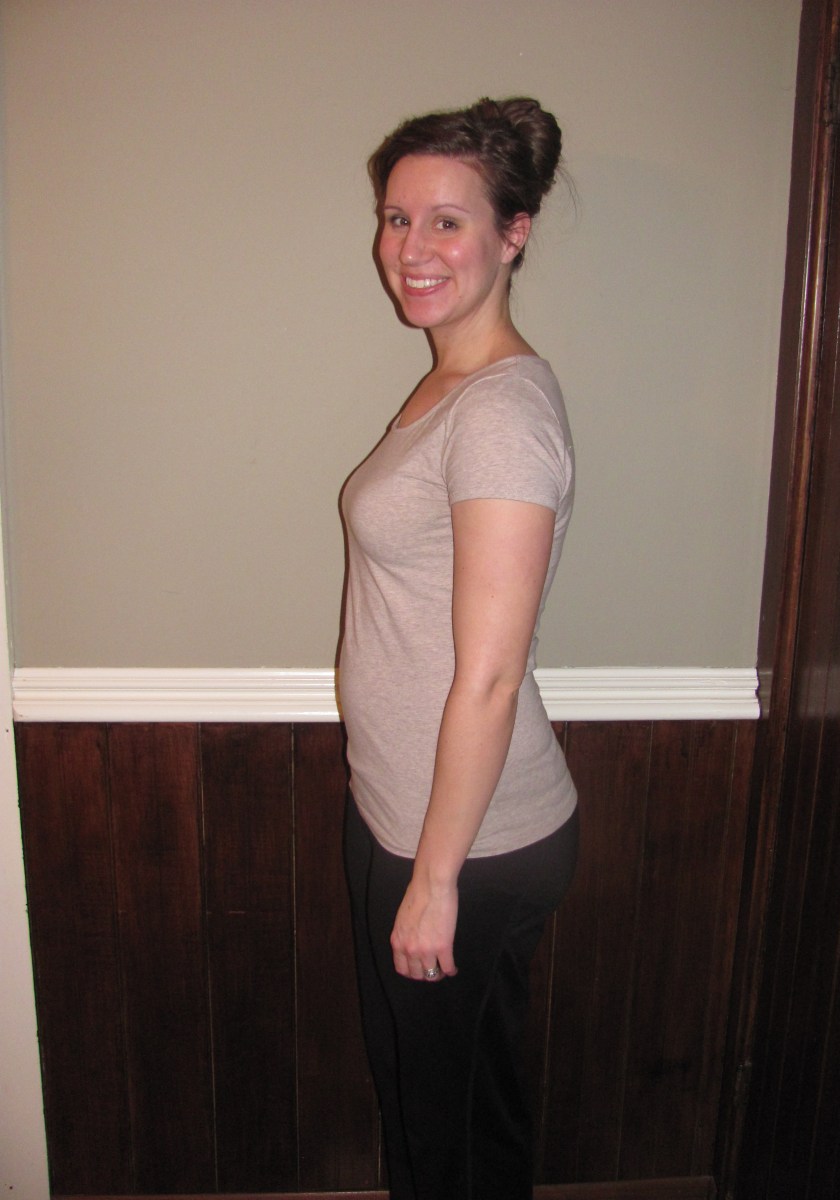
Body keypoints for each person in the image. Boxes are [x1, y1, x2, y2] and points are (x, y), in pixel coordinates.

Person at [339, 96, 578, 1200]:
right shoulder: (449, 382)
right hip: (407, 807)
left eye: (448, 221)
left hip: (468, 842)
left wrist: (435, 881)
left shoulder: (500, 414)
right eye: (398, 219)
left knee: (452, 1134)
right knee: (437, 1104)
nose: (411, 248)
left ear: (513, 233)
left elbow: (488, 674)